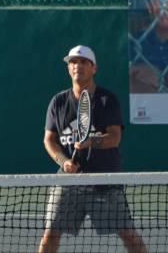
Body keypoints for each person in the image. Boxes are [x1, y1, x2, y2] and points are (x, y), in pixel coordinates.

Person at [38, 45, 147, 253]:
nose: (77, 66)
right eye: (72, 62)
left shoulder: (107, 100)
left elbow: (115, 138)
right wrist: (64, 161)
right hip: (69, 182)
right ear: (69, 68)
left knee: (129, 235)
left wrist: (91, 142)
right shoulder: (58, 102)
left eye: (83, 62)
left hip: (104, 181)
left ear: (93, 68)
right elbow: (49, 140)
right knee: (50, 234)